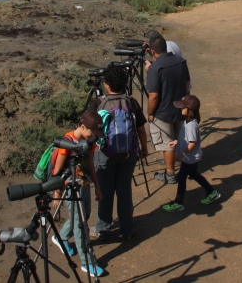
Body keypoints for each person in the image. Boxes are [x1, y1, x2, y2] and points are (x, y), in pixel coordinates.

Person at [90, 64, 149, 242]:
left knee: (105, 192)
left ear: (106, 84)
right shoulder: (131, 102)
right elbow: (140, 130)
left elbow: (90, 130)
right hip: (128, 154)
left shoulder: (99, 103)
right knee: (124, 191)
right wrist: (144, 149)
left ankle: (103, 228)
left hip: (105, 154)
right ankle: (127, 228)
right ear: (124, 83)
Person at [51, 111, 106, 278]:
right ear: (82, 126)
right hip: (69, 186)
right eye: (92, 132)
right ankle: (87, 262)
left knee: (85, 215)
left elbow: (90, 165)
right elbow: (58, 170)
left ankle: (60, 237)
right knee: (80, 224)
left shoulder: (90, 142)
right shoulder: (66, 142)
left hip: (84, 183)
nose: (94, 137)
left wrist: (97, 186)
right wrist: (57, 191)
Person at [161, 95, 221, 212]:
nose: (180, 109)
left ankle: (179, 202)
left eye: (183, 107)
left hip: (190, 157)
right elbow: (186, 138)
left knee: (181, 177)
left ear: (190, 110)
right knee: (194, 174)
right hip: (192, 157)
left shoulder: (191, 125)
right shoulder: (187, 121)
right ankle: (211, 192)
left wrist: (182, 154)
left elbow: (192, 143)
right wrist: (176, 142)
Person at [145, 36, 191, 183]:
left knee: (167, 144)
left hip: (162, 112)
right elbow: (187, 83)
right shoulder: (180, 61)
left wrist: (150, 113)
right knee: (177, 140)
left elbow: (153, 96)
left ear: (152, 51)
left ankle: (170, 174)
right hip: (180, 107)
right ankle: (182, 165)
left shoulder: (155, 68)